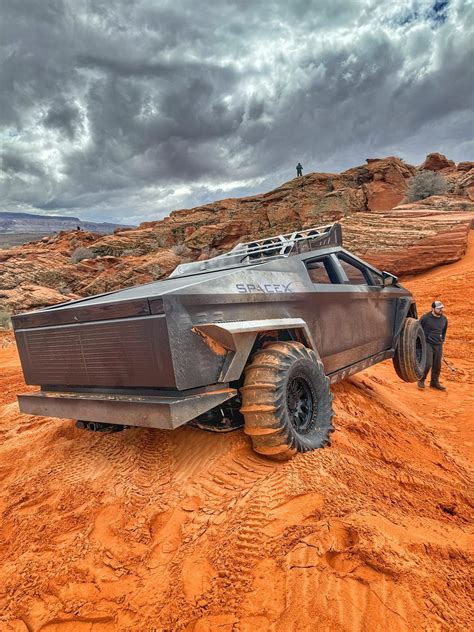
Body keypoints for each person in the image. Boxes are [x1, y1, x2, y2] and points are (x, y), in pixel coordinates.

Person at [418, 300, 448, 391]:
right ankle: (421, 380)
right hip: (427, 343)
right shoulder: (425, 318)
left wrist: (442, 341)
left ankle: (434, 383)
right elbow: (419, 330)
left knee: (437, 365)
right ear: (433, 309)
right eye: (439, 309)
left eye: (441, 308)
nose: (441, 310)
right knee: (428, 363)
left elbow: (444, 332)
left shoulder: (444, 319)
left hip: (438, 344)